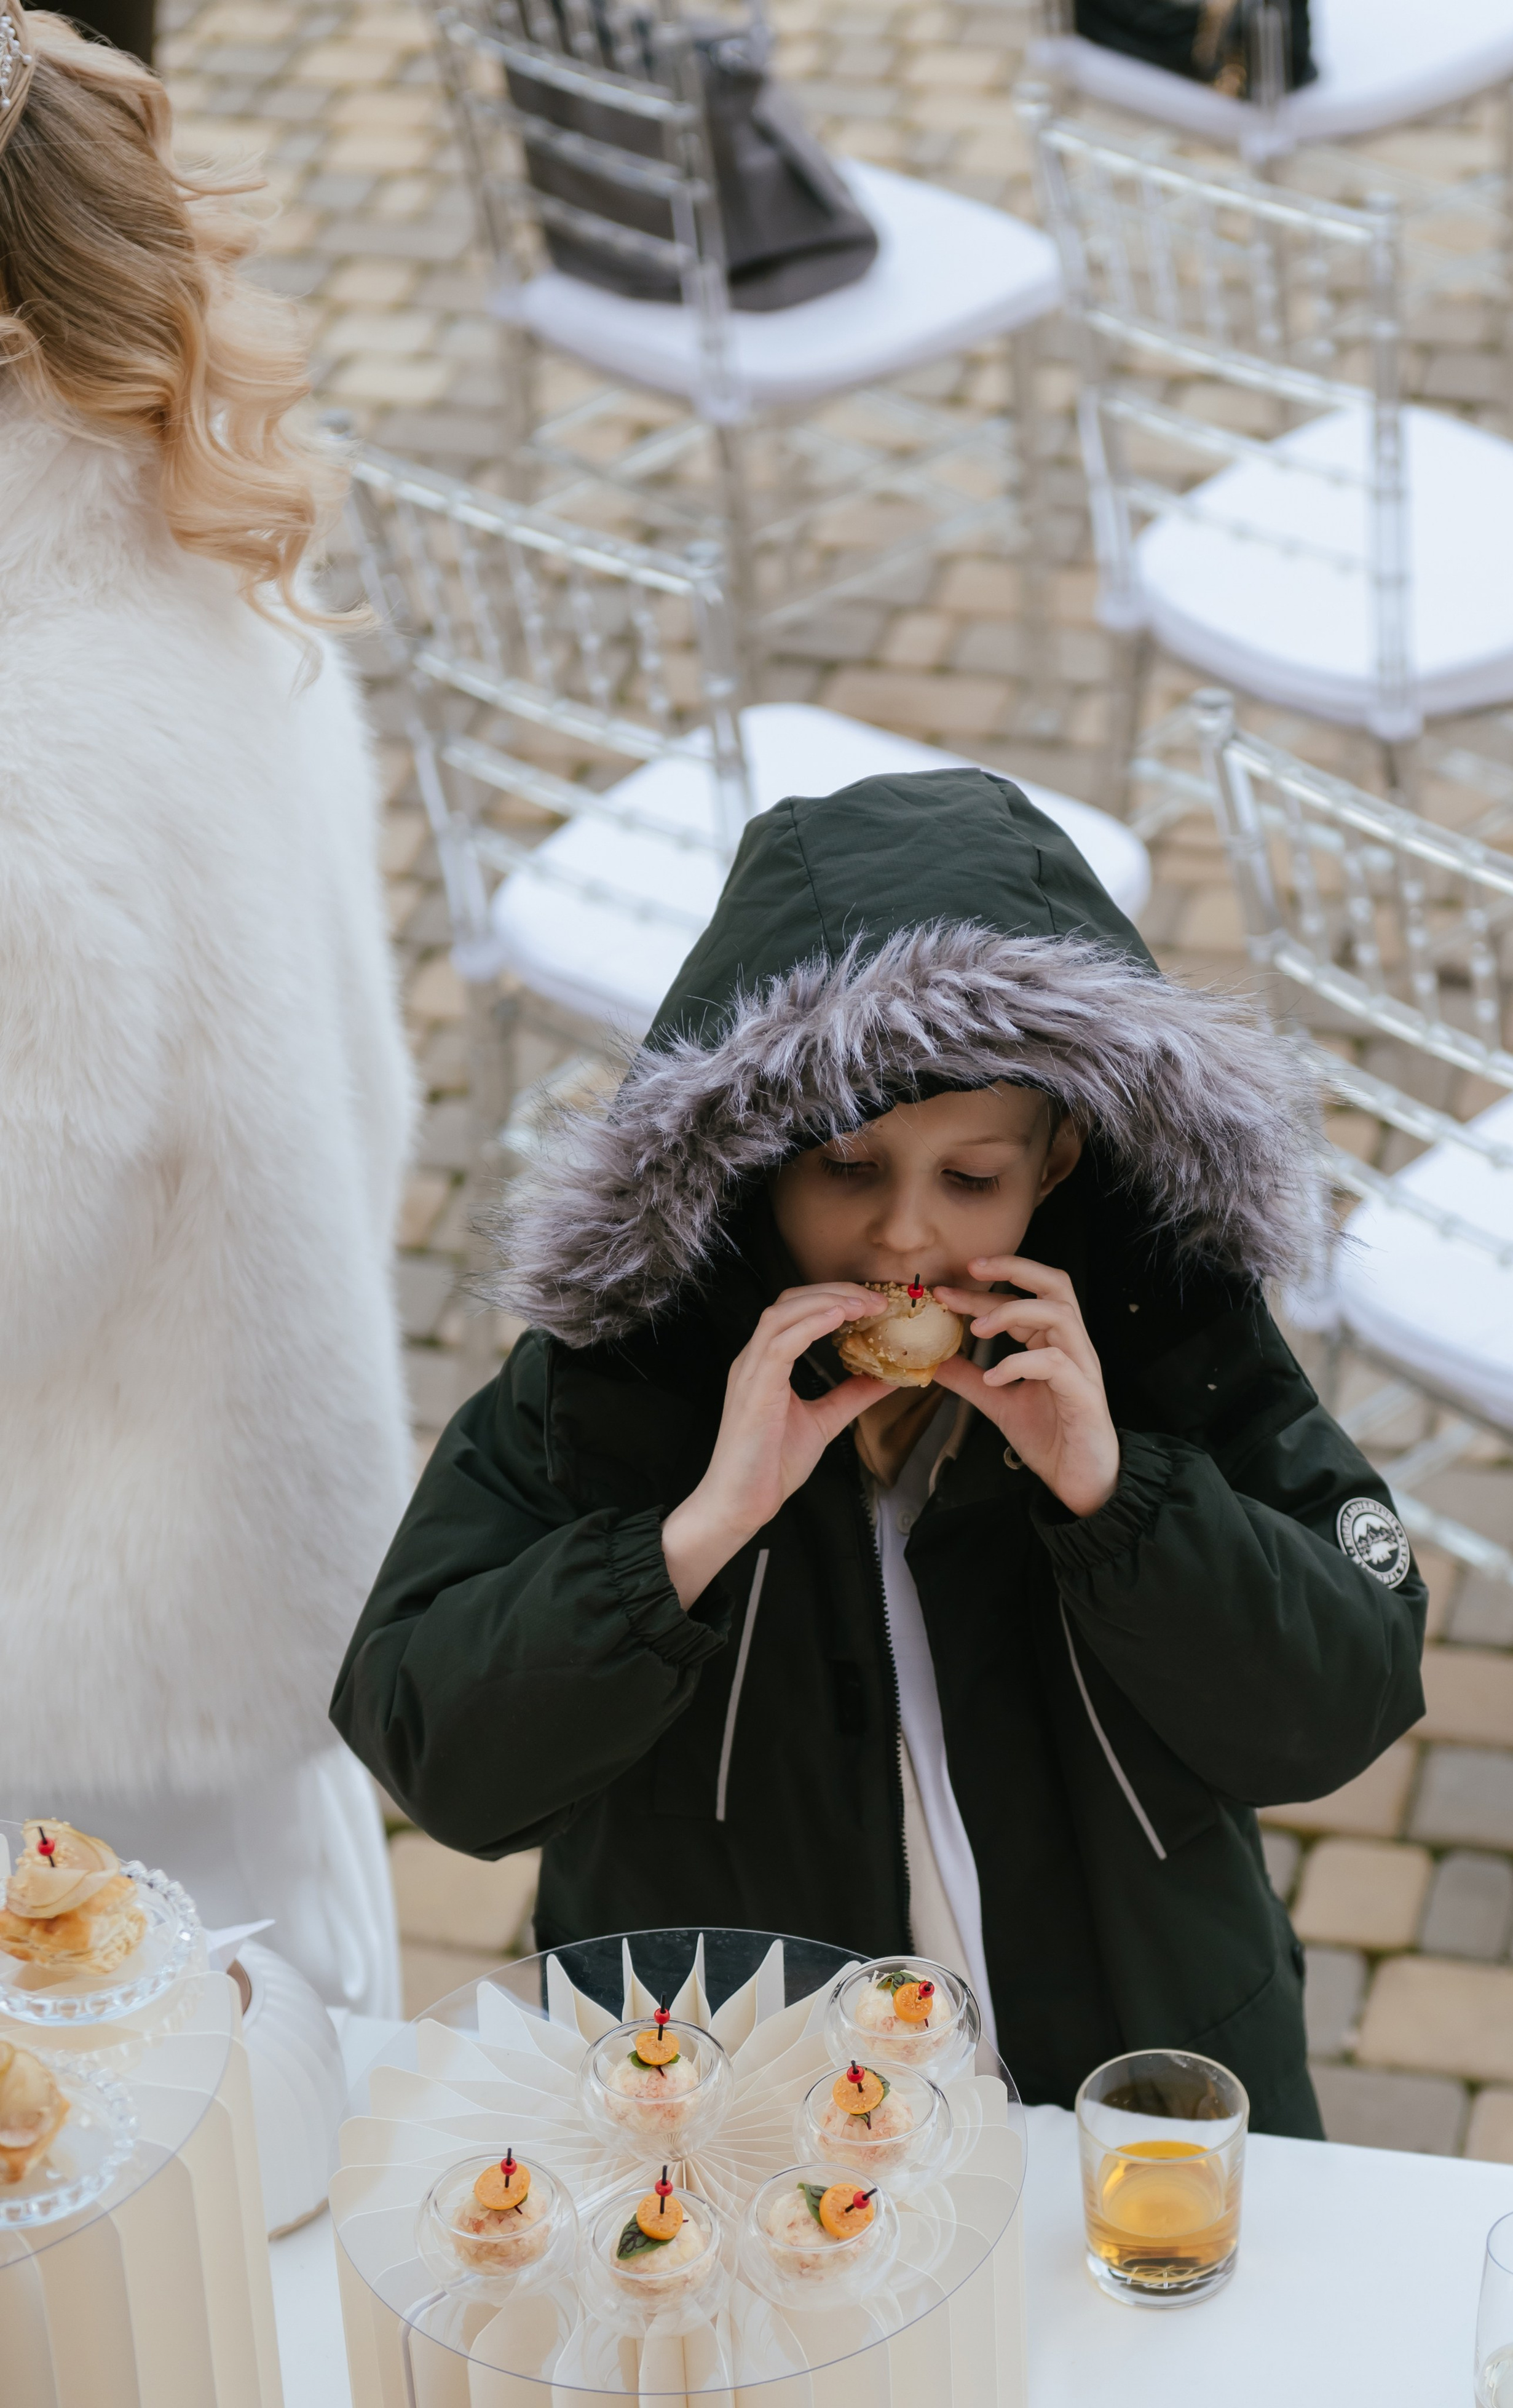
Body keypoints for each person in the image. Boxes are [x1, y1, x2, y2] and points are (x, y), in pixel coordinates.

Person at [333, 767, 1426, 2129]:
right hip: (744, 2133)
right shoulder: (624, 1382)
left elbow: (1338, 1700)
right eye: (846, 1172)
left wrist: (1118, 1495)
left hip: (1118, 2113)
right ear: (752, 1156)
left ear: (1060, 1159)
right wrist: (693, 1535)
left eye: (970, 1179)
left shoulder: (1160, 1340)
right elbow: (435, 1746)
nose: (905, 1237)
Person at [0, 7, 412, 2012]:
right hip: (260, 1582)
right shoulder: (226, 574)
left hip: (67, 1714)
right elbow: (374, 1085)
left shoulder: (24, 745)